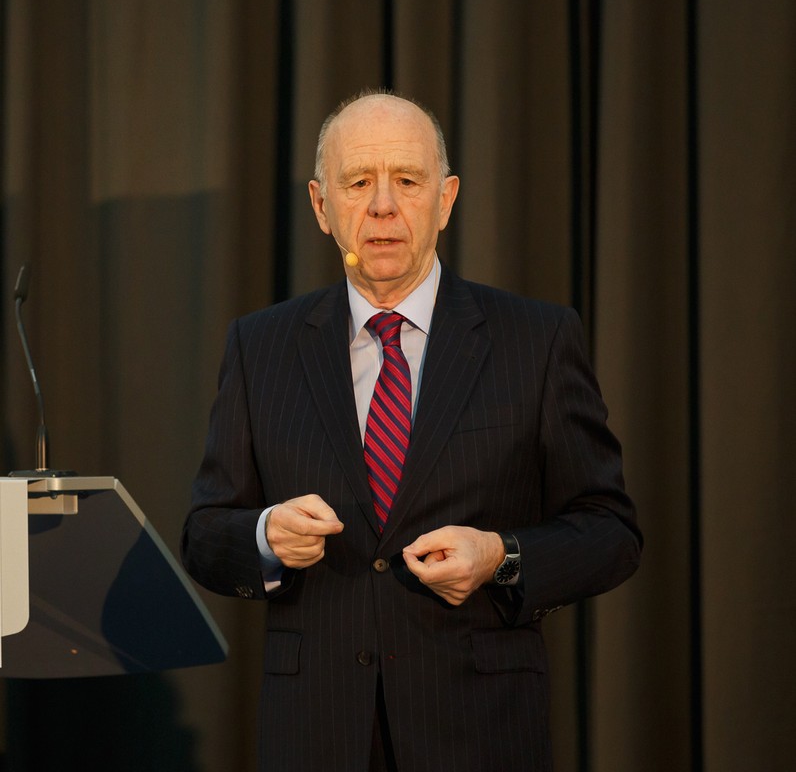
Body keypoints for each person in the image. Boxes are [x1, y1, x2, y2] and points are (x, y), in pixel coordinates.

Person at [181, 91, 642, 772]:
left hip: (480, 733)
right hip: (316, 736)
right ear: (320, 206)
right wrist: (265, 536)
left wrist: (501, 556)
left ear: (446, 199)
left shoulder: (537, 340)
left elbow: (610, 532)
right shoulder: (261, 346)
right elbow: (203, 535)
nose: (382, 206)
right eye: (357, 182)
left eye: (407, 180)